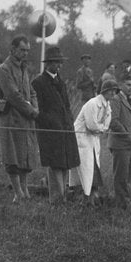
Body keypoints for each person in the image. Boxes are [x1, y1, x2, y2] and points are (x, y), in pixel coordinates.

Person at [31, 46, 80, 204]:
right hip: (50, 131)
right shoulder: (38, 83)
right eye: (56, 62)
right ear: (48, 63)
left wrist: (69, 122)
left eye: (60, 62)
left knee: (65, 164)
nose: (59, 65)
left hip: (65, 129)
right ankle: (56, 200)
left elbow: (67, 106)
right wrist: (51, 123)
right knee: (54, 165)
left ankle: (62, 196)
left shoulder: (61, 82)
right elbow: (37, 110)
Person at [0, 36, 40, 202]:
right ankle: (17, 192)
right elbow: (13, 95)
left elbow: (31, 91)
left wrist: (35, 107)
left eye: (27, 50)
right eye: (22, 50)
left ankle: (24, 189)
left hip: (26, 119)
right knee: (12, 156)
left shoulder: (23, 68)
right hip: (11, 118)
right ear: (12, 49)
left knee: (25, 155)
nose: (25, 53)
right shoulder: (4, 69)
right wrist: (31, 111)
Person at [72, 79, 118, 205]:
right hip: (82, 139)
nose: (113, 93)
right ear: (104, 91)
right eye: (110, 90)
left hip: (93, 139)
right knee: (84, 170)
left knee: (93, 169)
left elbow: (106, 126)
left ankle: (90, 199)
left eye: (115, 91)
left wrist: (100, 128)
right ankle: (83, 199)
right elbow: (91, 125)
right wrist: (100, 128)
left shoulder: (107, 106)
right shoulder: (93, 103)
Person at [108, 74, 131, 208]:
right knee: (121, 176)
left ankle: (127, 202)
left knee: (128, 176)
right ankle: (122, 204)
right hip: (120, 144)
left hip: (130, 144)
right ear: (120, 85)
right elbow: (113, 121)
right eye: (128, 85)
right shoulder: (116, 99)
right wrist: (128, 135)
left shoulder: (130, 100)